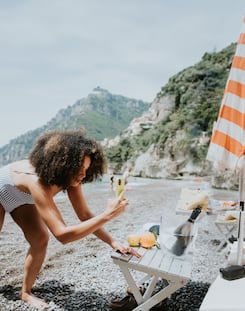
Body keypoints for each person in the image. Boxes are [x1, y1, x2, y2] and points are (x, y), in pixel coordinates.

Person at [0, 130, 140, 309]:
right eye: (79, 169)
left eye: (87, 169)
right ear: (63, 164)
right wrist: (107, 215)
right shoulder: (37, 181)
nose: (83, 175)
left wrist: (113, 242)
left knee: (40, 239)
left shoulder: (72, 179)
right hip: (2, 187)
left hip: (22, 198)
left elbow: (84, 215)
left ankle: (25, 293)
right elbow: (63, 235)